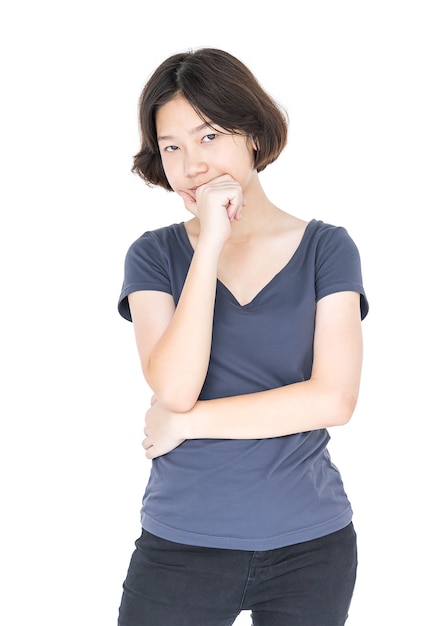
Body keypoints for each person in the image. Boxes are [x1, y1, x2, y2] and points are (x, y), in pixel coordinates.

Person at [117, 47, 368, 626]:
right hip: (181, 547)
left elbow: (334, 399)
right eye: (172, 147)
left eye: (208, 137)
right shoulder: (154, 257)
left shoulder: (328, 249)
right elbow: (176, 387)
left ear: (252, 133)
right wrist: (209, 244)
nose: (191, 164)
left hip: (312, 545)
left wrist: (186, 425)